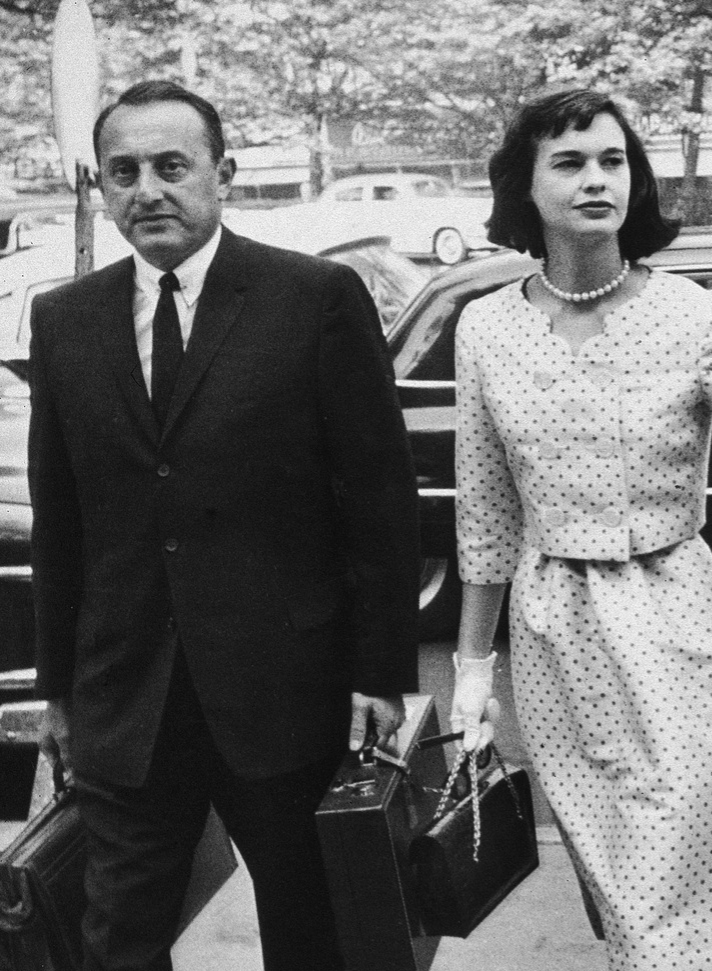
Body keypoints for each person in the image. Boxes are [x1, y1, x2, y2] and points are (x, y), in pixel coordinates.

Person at [29, 80, 421, 971]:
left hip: (287, 697)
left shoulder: (313, 298)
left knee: (311, 935)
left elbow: (377, 500)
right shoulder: (65, 319)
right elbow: (61, 521)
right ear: (101, 186)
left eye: (172, 167)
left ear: (224, 174)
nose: (147, 191)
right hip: (127, 699)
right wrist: (59, 691)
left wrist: (379, 671)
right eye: (123, 172)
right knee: (115, 943)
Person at [448, 89, 712, 969]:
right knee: (615, 878)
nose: (596, 179)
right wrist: (472, 668)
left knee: (693, 864)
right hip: (552, 630)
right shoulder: (486, 327)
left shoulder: (697, 314)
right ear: (525, 186)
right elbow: (486, 510)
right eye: (569, 162)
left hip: (674, 616)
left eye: (613, 160)